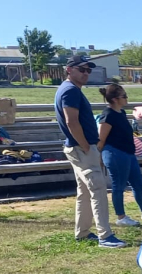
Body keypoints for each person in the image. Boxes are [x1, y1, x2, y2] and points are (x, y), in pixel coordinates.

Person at [54, 55, 125, 248]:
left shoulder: (69, 89)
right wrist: (86, 146)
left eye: (88, 70)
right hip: (81, 148)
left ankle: (83, 232)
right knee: (98, 189)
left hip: (78, 147)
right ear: (69, 69)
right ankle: (105, 236)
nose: (86, 73)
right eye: (81, 69)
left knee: (84, 192)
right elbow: (71, 122)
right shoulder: (70, 91)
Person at [97, 83, 142, 226]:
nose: (127, 98)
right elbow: (101, 139)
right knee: (118, 186)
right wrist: (98, 157)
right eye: (124, 96)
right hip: (115, 153)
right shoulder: (107, 114)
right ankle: (121, 217)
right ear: (114, 99)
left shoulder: (122, 112)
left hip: (128, 153)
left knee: (138, 184)